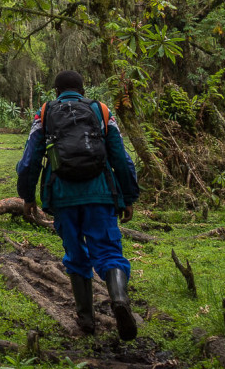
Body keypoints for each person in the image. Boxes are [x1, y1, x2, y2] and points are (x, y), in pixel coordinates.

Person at [15, 70, 139, 340]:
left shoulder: (45, 113)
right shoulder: (102, 111)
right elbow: (121, 157)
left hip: (62, 195)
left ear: (56, 90)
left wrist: (27, 197)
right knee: (108, 252)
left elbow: (29, 161)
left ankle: (86, 320)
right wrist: (128, 196)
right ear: (83, 90)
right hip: (101, 194)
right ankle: (119, 299)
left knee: (75, 253)